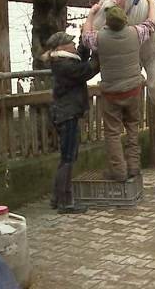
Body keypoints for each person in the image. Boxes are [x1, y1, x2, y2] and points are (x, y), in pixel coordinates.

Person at [82, 0, 155, 181]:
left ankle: (118, 170)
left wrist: (91, 15)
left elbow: (85, 36)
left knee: (113, 132)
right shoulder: (136, 33)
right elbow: (152, 23)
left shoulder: (99, 39)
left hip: (111, 94)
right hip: (133, 90)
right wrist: (150, 2)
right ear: (125, 20)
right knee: (132, 127)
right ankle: (133, 167)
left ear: (107, 21)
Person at [43, 31, 99, 214]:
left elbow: (81, 59)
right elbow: (88, 69)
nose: (74, 45)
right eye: (71, 43)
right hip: (67, 114)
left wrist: (86, 39)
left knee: (66, 157)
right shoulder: (64, 65)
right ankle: (65, 202)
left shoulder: (63, 61)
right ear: (61, 47)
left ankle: (57, 197)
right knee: (68, 157)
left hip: (65, 113)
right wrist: (99, 51)